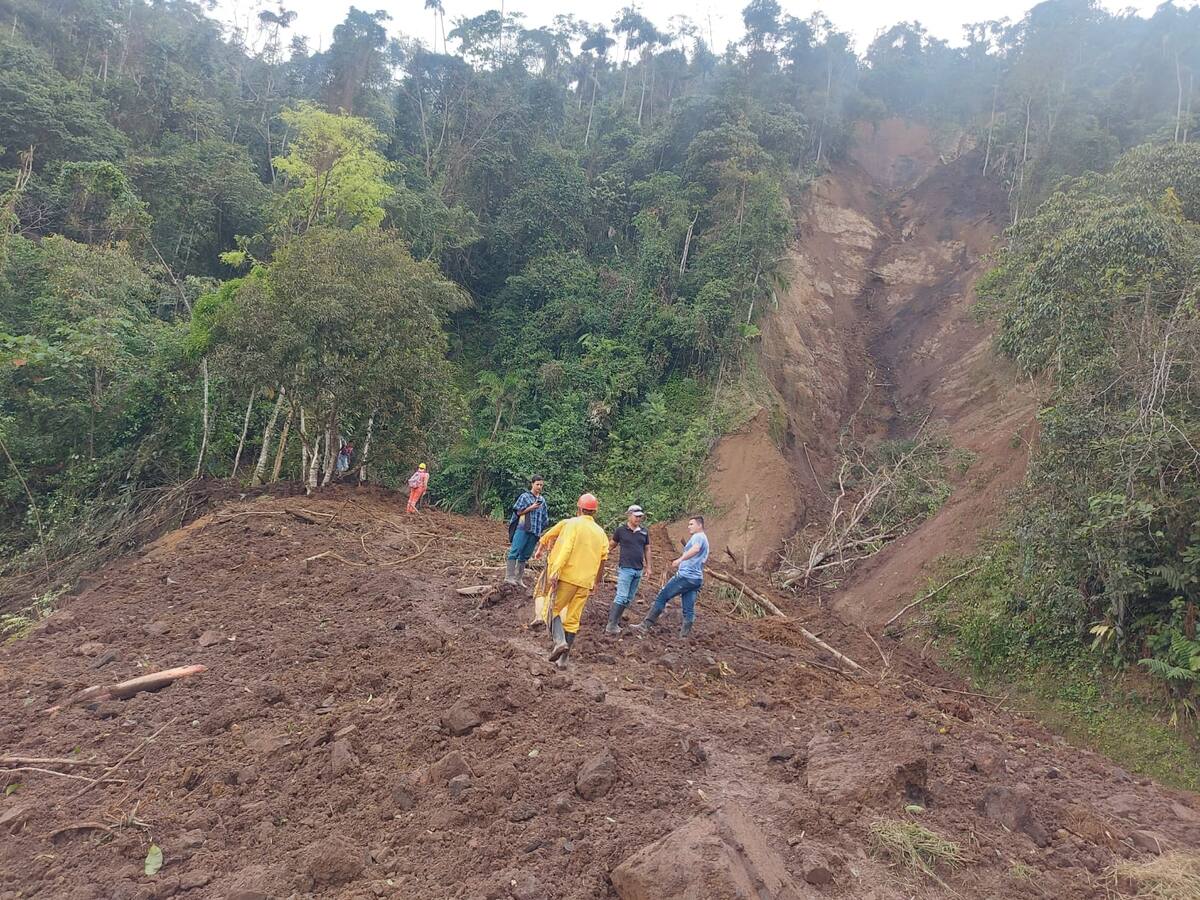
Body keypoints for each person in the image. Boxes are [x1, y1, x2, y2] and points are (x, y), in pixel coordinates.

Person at [533, 493, 609, 668]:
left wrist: (555, 571)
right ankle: (564, 660)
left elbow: (566, 548)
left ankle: (559, 641)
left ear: (579, 509)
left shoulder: (572, 524)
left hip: (568, 577)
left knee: (551, 610)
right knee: (573, 619)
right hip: (585, 582)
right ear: (594, 512)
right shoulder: (600, 532)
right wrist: (596, 582)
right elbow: (603, 559)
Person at [632, 515, 708, 638]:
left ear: (700, 525)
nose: (689, 527)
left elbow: (695, 549)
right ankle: (684, 636)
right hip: (696, 579)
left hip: (686, 576)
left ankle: (645, 626)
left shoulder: (698, 537)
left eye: (691, 524)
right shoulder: (704, 538)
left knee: (662, 597)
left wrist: (680, 559)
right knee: (688, 608)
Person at [604, 504, 653, 635]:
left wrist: (649, 567)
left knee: (628, 598)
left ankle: (616, 621)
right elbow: (612, 544)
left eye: (640, 517)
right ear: (629, 515)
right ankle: (611, 625)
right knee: (621, 596)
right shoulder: (621, 530)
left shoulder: (644, 531)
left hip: (638, 569)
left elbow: (647, 548)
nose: (638, 519)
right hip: (626, 568)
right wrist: (603, 554)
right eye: (636, 516)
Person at [505, 476, 548, 585]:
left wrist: (541, 529)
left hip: (535, 531)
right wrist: (531, 507)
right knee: (515, 551)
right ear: (532, 484)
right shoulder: (524, 497)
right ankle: (509, 577)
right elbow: (518, 512)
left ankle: (518, 578)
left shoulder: (542, 500)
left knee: (525, 555)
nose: (539, 487)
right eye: (537, 484)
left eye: (541, 485)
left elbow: (544, 518)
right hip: (523, 528)